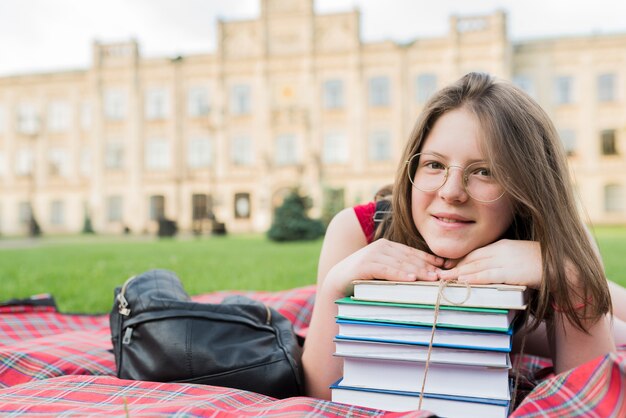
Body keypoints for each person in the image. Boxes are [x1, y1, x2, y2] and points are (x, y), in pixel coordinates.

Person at [302, 72, 626, 400]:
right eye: (434, 165)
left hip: (530, 321)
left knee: (615, 322)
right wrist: (334, 284)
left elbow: (591, 400)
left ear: (526, 188)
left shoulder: (558, 242)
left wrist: (570, 279)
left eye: (485, 171)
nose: (452, 192)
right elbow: (318, 396)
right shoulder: (359, 230)